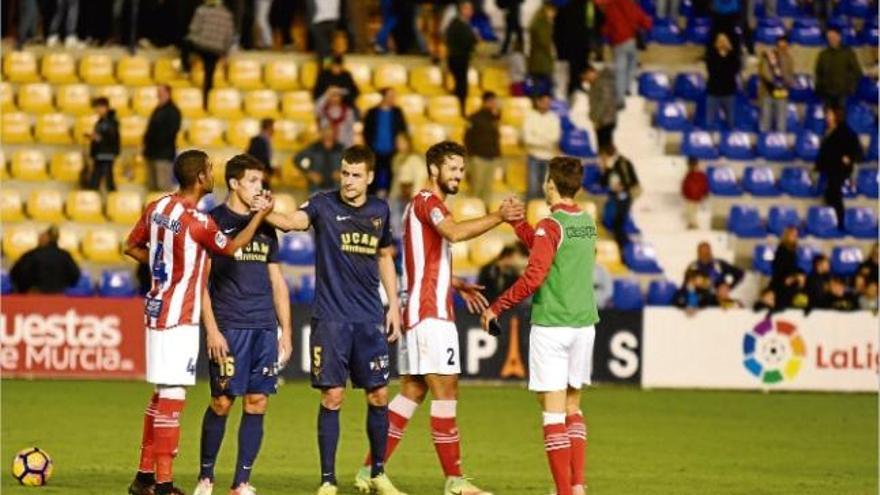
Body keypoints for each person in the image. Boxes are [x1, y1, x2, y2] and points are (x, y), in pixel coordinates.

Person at [357, 141, 524, 495]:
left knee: (413, 391)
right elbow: (453, 233)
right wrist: (498, 216)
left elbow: (424, 260)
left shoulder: (424, 206)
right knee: (446, 389)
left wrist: (456, 282)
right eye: (452, 169)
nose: (458, 176)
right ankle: (455, 480)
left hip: (424, 307)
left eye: (461, 170)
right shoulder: (427, 202)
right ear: (434, 170)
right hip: (429, 313)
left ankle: (368, 471)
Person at [125, 150, 274, 495]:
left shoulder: (159, 207)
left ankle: (144, 477)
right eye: (209, 169)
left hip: (157, 308)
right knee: (173, 394)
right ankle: (163, 485)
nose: (213, 174)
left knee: (161, 392)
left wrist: (165, 269)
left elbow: (131, 247)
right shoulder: (199, 221)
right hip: (180, 315)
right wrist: (259, 215)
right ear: (200, 179)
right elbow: (234, 245)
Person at [261, 146, 407, 495]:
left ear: (370, 177)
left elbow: (385, 257)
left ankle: (378, 473)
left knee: (379, 395)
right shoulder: (323, 204)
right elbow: (292, 222)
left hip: (371, 317)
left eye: (356, 175)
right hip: (331, 319)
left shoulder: (379, 210)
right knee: (333, 397)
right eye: (345, 173)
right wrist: (264, 210)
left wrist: (394, 305)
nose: (349, 181)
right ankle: (328, 480)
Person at [480, 156, 597, 495]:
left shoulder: (551, 224)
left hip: (553, 325)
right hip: (583, 325)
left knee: (552, 413)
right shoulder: (587, 222)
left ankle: (563, 491)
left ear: (550, 184)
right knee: (573, 407)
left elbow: (534, 275)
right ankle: (577, 486)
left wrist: (497, 305)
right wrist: (519, 227)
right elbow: (550, 252)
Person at [193, 155, 291, 495]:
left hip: (263, 326)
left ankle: (241, 482)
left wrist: (286, 333)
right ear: (234, 183)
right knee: (222, 402)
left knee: (257, 402)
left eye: (260, 182)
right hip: (229, 325)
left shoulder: (265, 225)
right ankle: (206, 477)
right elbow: (200, 282)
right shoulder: (212, 221)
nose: (258, 188)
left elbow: (277, 281)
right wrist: (213, 329)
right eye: (252, 181)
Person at [815, 105, 863, 230]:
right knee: (830, 194)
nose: (827, 117)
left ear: (836, 115)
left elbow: (856, 149)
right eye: (826, 114)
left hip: (840, 169)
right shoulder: (827, 130)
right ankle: (832, 220)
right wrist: (818, 167)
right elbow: (824, 151)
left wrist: (849, 158)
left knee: (835, 192)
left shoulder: (845, 131)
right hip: (830, 167)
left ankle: (840, 222)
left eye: (829, 114)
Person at [180, 0, 235, 108]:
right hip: (216, 50)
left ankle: (185, 69)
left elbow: (193, 29)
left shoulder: (202, 11)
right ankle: (206, 102)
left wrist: (193, 42)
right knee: (209, 77)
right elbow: (229, 37)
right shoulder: (227, 15)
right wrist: (225, 52)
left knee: (185, 43)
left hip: (202, 46)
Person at [600, 0, 652, 105]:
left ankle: (620, 99)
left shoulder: (611, 6)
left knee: (620, 70)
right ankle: (627, 88)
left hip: (619, 42)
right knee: (631, 67)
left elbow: (608, 26)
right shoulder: (631, 4)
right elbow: (645, 21)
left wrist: (605, 33)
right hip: (632, 41)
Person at [364, 88, 409, 195]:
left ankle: (389, 203)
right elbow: (366, 131)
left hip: (393, 151)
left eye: (394, 96)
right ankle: (371, 201)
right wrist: (370, 145)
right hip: (375, 150)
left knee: (392, 178)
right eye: (390, 96)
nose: (393, 99)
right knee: (372, 178)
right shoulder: (372, 112)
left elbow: (403, 130)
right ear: (383, 97)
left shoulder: (398, 112)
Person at [10, 225, 80, 294]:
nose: (39, 237)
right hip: (58, 297)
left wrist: (25, 289)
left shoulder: (32, 255)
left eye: (42, 235)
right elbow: (75, 276)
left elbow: (16, 274)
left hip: (35, 297)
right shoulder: (65, 255)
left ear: (46, 238)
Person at [599, 144, 639, 256]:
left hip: (624, 197)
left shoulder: (623, 163)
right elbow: (603, 183)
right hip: (614, 197)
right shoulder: (609, 166)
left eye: (603, 156)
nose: (602, 159)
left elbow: (631, 181)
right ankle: (623, 248)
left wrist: (622, 187)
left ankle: (625, 250)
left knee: (618, 224)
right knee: (613, 223)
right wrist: (605, 169)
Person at [464, 91, 502, 205]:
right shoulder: (475, 118)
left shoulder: (494, 118)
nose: (495, 104)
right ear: (486, 102)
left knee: (488, 188)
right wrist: (472, 156)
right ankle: (474, 214)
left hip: (491, 157)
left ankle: (485, 213)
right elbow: (467, 138)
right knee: (477, 187)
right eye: (492, 101)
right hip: (478, 158)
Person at [143, 85, 182, 192]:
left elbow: (171, 132)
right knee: (151, 187)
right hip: (151, 153)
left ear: (168, 93)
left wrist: (156, 142)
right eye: (158, 91)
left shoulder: (173, 111)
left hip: (164, 154)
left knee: (163, 186)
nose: (158, 94)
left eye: (161, 91)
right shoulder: (157, 110)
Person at [524, 93, 562, 199]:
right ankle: (531, 212)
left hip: (548, 158)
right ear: (538, 102)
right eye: (544, 102)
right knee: (532, 189)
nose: (547, 105)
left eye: (548, 103)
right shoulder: (530, 116)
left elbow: (555, 137)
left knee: (546, 189)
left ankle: (544, 214)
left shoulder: (554, 118)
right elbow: (528, 139)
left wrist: (537, 136)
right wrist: (546, 140)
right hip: (533, 157)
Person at [388, 133, 428, 234]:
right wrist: (392, 195)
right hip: (398, 196)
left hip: (410, 196)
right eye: (397, 142)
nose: (399, 145)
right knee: (395, 223)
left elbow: (420, 176)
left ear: (408, 143)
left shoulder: (415, 159)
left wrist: (414, 197)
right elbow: (396, 180)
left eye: (402, 142)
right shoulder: (396, 158)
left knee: (409, 225)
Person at [814, 27, 863, 109]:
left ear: (839, 37)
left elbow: (857, 72)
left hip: (843, 94)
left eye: (833, 37)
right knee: (830, 119)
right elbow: (818, 73)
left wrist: (850, 88)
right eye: (829, 38)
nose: (831, 39)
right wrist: (820, 90)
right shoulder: (823, 55)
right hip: (827, 94)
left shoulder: (848, 53)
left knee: (841, 118)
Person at [445, 1, 478, 114]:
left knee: (462, 86)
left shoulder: (465, 24)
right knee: (461, 87)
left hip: (463, 58)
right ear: (461, 10)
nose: (470, 11)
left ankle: (461, 108)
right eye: (467, 9)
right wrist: (474, 37)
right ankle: (460, 110)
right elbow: (464, 42)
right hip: (457, 58)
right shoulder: (456, 24)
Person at [758, 36, 794, 134]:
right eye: (780, 45)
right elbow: (765, 72)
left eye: (784, 45)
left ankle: (779, 144)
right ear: (777, 45)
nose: (782, 47)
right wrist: (775, 82)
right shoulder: (769, 56)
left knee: (781, 123)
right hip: (767, 93)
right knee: (765, 122)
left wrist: (786, 82)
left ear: (787, 46)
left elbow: (790, 76)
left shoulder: (789, 59)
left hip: (782, 94)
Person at [294, 125, 344, 193]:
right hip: (316, 188)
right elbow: (297, 158)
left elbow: (351, 162)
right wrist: (309, 173)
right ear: (321, 134)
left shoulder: (340, 148)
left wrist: (343, 173)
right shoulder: (314, 147)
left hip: (336, 187)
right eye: (325, 133)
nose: (327, 136)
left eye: (330, 134)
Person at [705, 32, 740, 129]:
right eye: (720, 41)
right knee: (710, 120)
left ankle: (729, 139)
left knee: (730, 120)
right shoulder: (711, 55)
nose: (722, 43)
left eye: (724, 40)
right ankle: (709, 138)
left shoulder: (733, 56)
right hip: (713, 91)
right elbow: (712, 70)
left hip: (728, 91)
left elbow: (735, 69)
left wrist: (730, 52)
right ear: (716, 42)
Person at [87, 97, 120, 193]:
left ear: (105, 107)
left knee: (104, 181)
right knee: (99, 181)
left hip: (106, 154)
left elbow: (112, 138)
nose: (97, 110)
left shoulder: (111, 122)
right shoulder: (101, 121)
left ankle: (113, 199)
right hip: (100, 154)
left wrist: (99, 138)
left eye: (99, 107)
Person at [583, 64, 617, 150]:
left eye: (587, 75)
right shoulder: (594, 84)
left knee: (606, 147)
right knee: (602, 146)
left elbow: (605, 101)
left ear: (592, 72)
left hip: (606, 119)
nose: (586, 79)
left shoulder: (603, 83)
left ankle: (609, 162)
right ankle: (604, 162)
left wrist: (596, 116)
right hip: (600, 120)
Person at [770, 226, 803, 309]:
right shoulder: (781, 250)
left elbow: (794, 267)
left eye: (796, 235)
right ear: (786, 235)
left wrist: (798, 276)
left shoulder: (793, 251)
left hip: (790, 282)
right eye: (792, 235)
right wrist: (788, 278)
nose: (794, 237)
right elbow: (778, 268)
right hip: (782, 284)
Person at [527, 2, 556, 95]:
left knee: (537, 86)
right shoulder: (543, 23)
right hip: (542, 61)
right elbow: (544, 41)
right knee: (545, 88)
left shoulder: (536, 21)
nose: (554, 14)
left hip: (536, 61)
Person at [681, 157, 709, 229]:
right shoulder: (693, 174)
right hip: (693, 196)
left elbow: (704, 185)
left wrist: (705, 193)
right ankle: (692, 224)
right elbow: (685, 185)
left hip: (693, 196)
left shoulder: (698, 175)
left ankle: (693, 224)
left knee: (692, 211)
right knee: (691, 211)